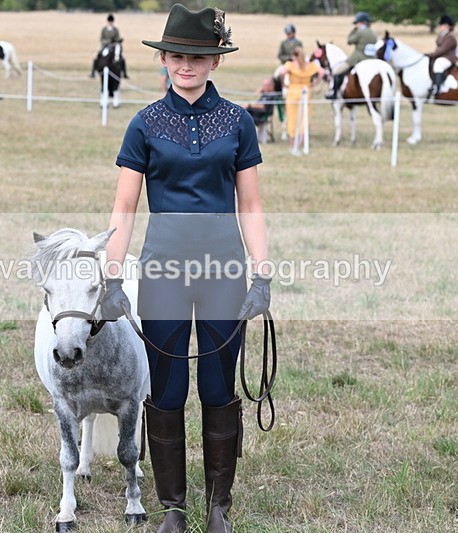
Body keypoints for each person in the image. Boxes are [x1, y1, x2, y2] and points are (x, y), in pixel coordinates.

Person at [101, 4, 271, 533]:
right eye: (176, 55)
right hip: (163, 274)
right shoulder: (144, 123)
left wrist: (262, 273)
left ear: (214, 61)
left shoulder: (239, 121)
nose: (185, 65)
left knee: (220, 391)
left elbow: (252, 205)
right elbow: (124, 208)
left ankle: (219, 507)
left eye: (196, 56)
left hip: (224, 271)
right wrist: (111, 276)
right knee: (168, 391)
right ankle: (173, 507)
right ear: (165, 60)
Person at [326, 11, 378, 99]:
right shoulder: (373, 33)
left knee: (337, 71)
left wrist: (354, 30)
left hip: (358, 58)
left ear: (361, 22)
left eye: (357, 23)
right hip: (372, 59)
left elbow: (349, 41)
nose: (356, 24)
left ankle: (334, 93)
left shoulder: (360, 32)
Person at [282, 46, 321, 152]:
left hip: (293, 92)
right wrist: (315, 83)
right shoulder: (310, 65)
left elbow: (282, 72)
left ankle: (292, 143)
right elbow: (322, 72)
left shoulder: (290, 65)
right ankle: (303, 142)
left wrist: (285, 84)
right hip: (306, 91)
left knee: (292, 118)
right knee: (305, 118)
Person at [428, 14, 458, 98]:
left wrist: (430, 55)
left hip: (449, 58)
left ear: (447, 26)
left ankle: (437, 87)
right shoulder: (442, 35)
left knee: (439, 64)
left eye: (442, 25)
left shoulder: (450, 37)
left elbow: (442, 50)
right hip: (442, 56)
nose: (440, 26)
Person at [245, 77, 280, 143]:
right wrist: (260, 90)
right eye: (263, 85)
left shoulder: (272, 95)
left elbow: (263, 106)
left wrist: (250, 105)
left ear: (271, 86)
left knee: (246, 113)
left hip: (262, 115)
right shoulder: (265, 94)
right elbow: (255, 95)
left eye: (266, 85)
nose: (264, 87)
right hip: (256, 112)